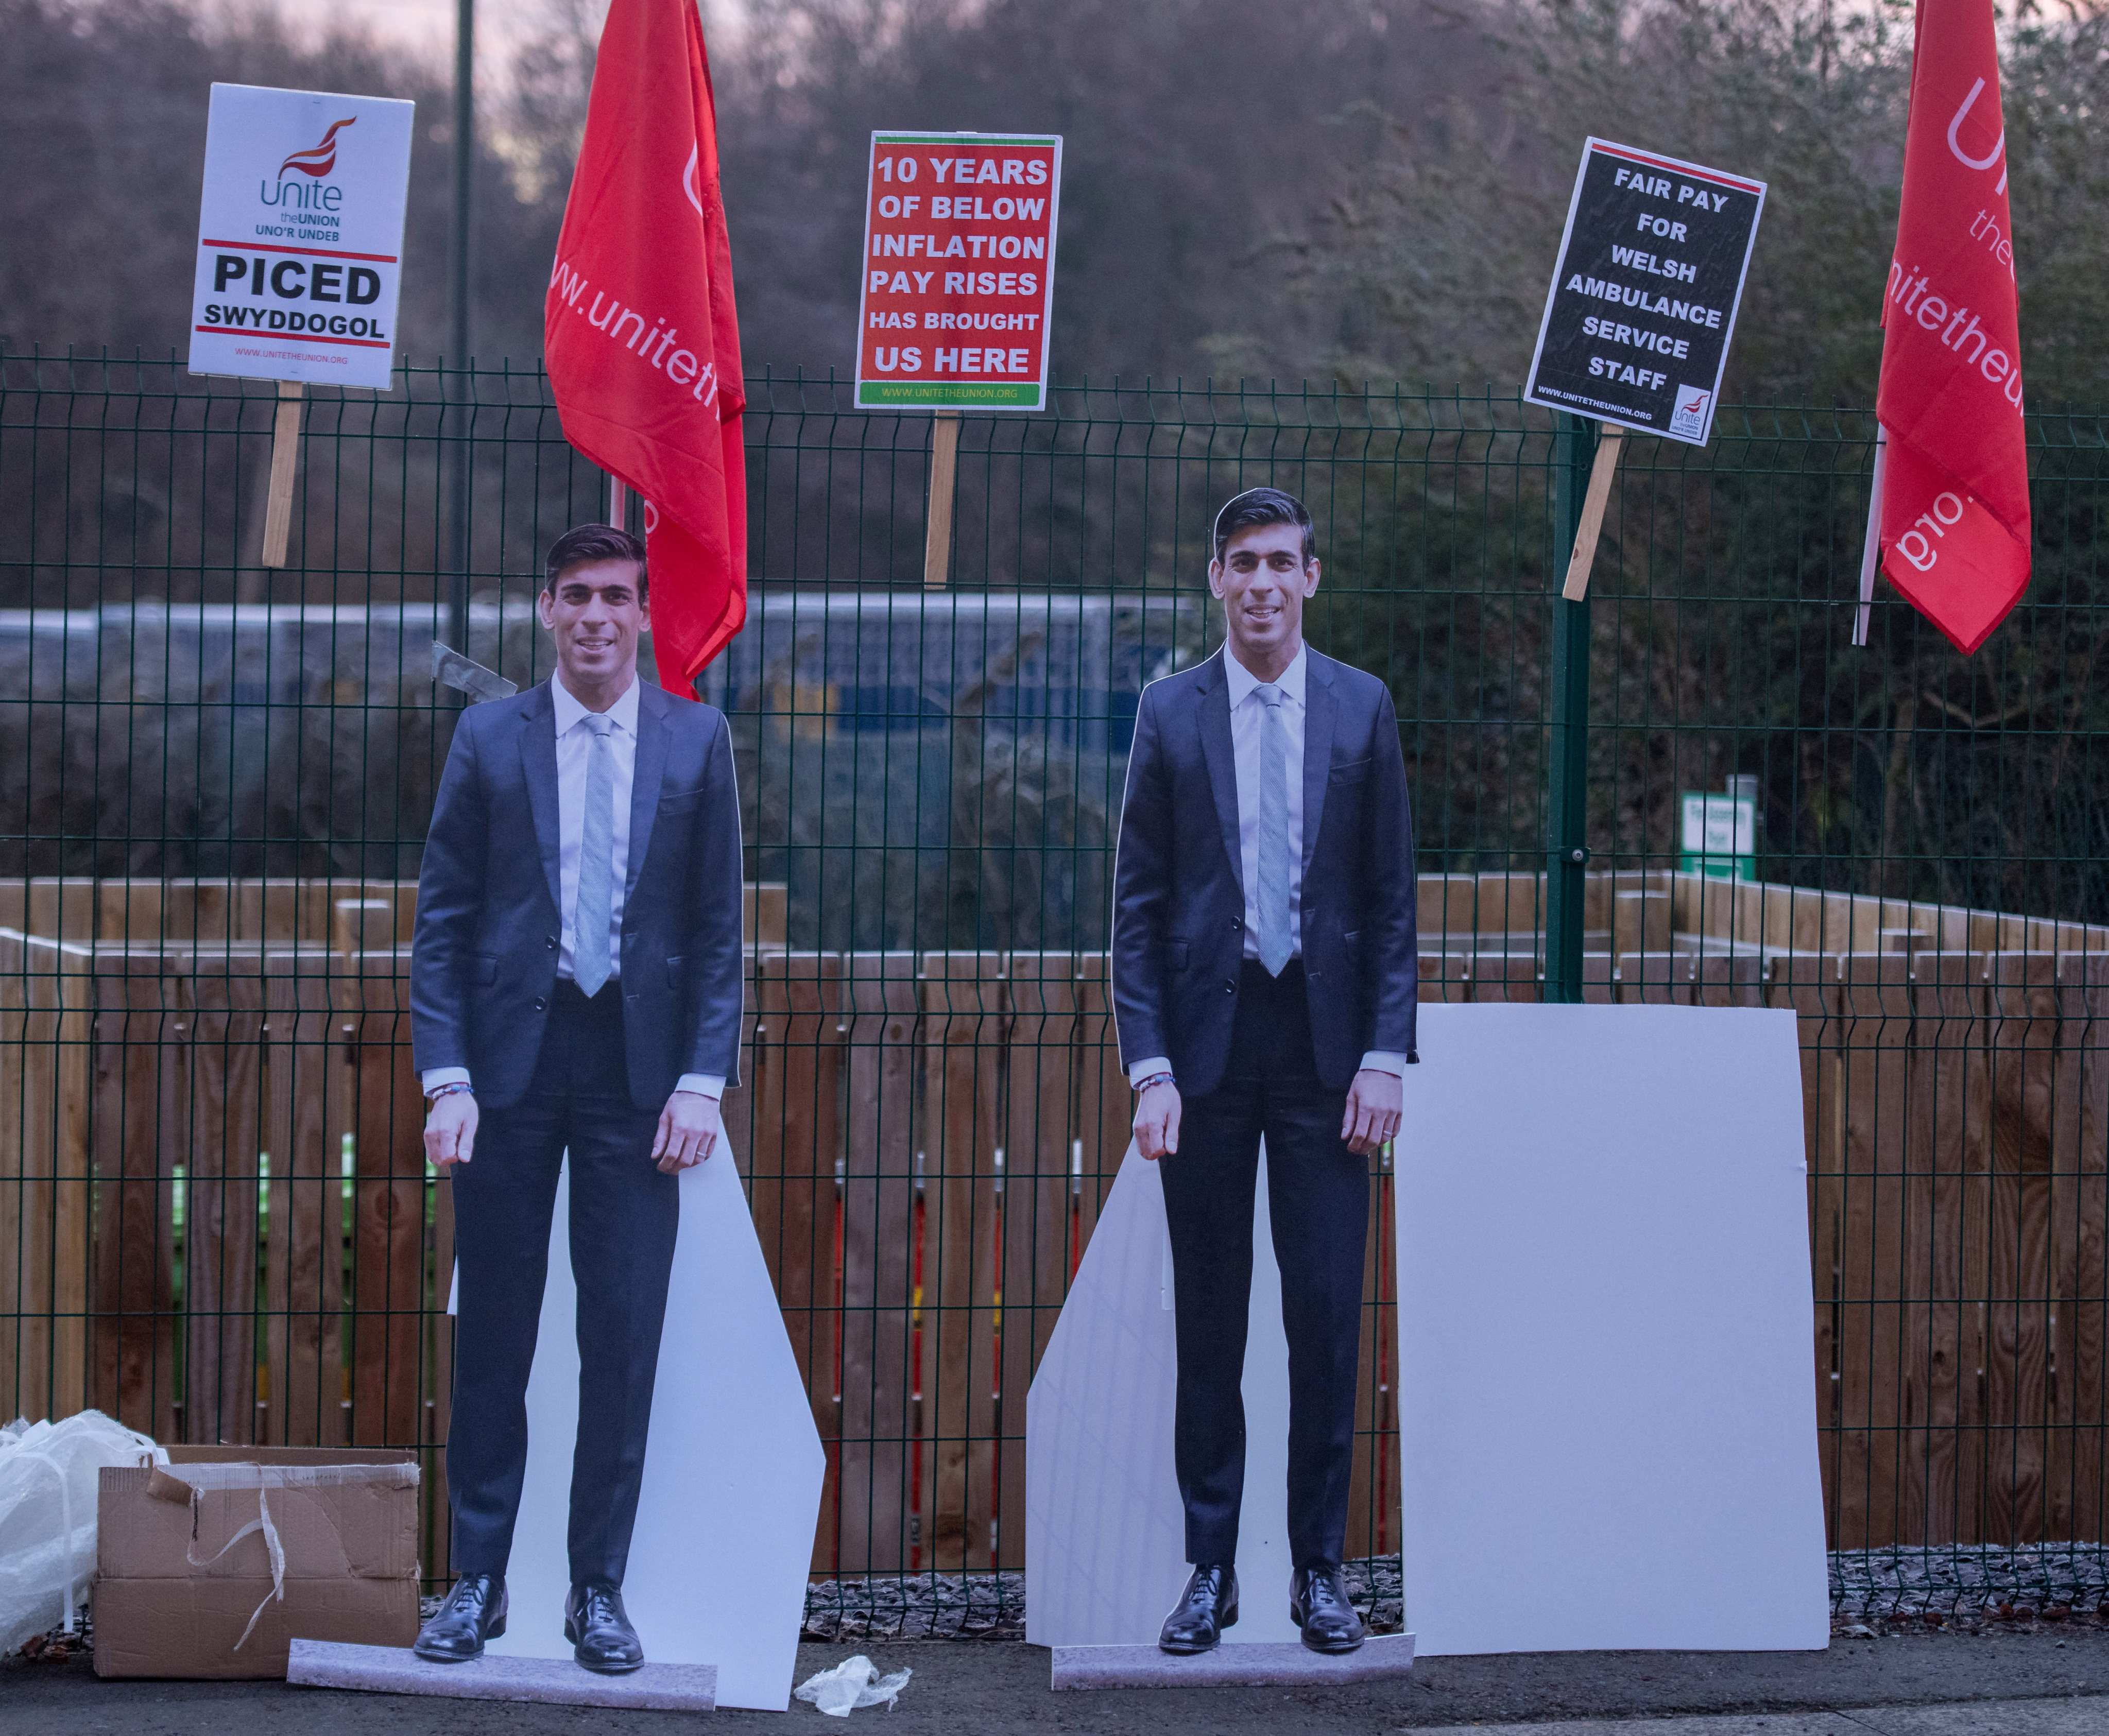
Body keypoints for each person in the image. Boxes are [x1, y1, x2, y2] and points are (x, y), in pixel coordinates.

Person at [408, 524, 744, 1673]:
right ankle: (478, 1582)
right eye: (575, 597)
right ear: (545, 611)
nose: (596, 615)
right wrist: (445, 1077)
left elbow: (714, 931)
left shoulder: (698, 742)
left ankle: (596, 1589)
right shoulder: (487, 739)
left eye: (616, 597)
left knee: (621, 1336)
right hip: (508, 1072)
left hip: (638, 1077)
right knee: (494, 1336)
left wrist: (703, 1080)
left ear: (643, 614)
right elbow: (444, 919)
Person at [1111, 486, 1417, 1656]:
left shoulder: (1361, 708)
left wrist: (1385, 1054)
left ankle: (1318, 1574)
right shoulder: (1169, 714)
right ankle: (1207, 1570)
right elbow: (1136, 912)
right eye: (1240, 563)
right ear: (1213, 580)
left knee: (1325, 1322)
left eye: (1280, 563)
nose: (1260, 583)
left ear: (1311, 577)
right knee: (1210, 1327)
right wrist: (1149, 1071)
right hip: (1203, 1061)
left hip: (1331, 1061)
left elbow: (1389, 900)